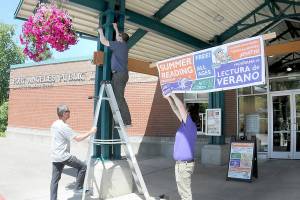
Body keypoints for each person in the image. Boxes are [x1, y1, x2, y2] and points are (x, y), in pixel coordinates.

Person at [50, 104, 97, 200]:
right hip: (64, 156)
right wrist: (91, 132)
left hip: (55, 155)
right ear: (63, 113)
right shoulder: (64, 126)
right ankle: (78, 187)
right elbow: (78, 138)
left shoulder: (54, 124)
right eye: (68, 111)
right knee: (83, 166)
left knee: (54, 180)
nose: (69, 112)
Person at [164, 93, 198, 200]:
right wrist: (168, 98)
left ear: (189, 113)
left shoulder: (189, 124)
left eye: (186, 110)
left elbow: (180, 107)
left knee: (186, 194)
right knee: (182, 192)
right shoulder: (185, 124)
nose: (184, 112)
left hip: (184, 165)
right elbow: (176, 109)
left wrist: (172, 94)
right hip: (180, 165)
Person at [97, 23, 132, 126]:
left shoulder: (119, 45)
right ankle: (120, 120)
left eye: (118, 36)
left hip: (119, 75)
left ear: (121, 39)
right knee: (117, 97)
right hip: (121, 75)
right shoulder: (123, 46)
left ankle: (126, 121)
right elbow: (118, 36)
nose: (117, 37)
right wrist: (116, 28)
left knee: (119, 98)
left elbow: (103, 41)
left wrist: (100, 31)